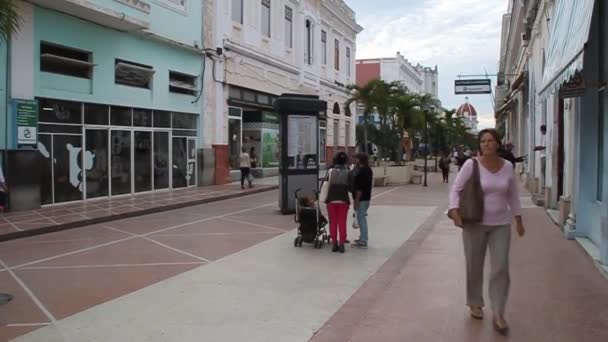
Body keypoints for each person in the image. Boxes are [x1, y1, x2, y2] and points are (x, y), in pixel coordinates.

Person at [448, 128, 525, 335]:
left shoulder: (507, 166)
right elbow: (456, 188)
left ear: (498, 144)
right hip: (474, 223)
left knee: (500, 267)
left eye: (490, 141)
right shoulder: (471, 165)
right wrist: (454, 211)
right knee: (474, 264)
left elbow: (513, 194)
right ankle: (475, 302)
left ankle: (499, 311)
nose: (486, 144)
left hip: (501, 223)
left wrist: (518, 218)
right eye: (483, 141)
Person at [324, 151, 352, 253]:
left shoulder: (330, 171)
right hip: (343, 200)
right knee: (342, 222)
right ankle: (341, 244)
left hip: (331, 200)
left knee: (333, 222)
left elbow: (325, 184)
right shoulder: (348, 172)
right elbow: (350, 187)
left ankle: (334, 243)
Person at [351, 153, 373, 248]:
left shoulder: (361, 172)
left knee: (361, 219)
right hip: (366, 198)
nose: (354, 160)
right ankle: (362, 237)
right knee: (361, 218)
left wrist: (356, 200)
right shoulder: (368, 170)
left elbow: (359, 188)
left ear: (360, 160)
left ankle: (363, 240)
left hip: (361, 198)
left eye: (355, 158)